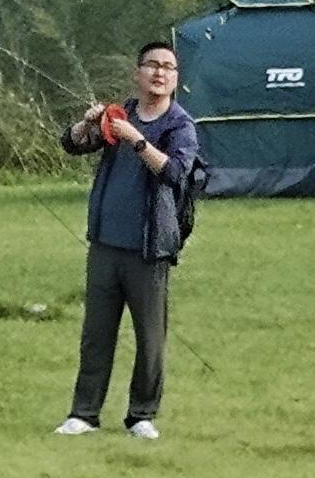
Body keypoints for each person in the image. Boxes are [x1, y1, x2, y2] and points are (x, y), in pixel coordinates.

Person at [55, 42, 206, 441]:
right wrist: (89, 124)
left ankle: (142, 414)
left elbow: (175, 174)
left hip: (149, 247)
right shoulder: (119, 115)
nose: (160, 73)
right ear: (137, 74)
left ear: (176, 79)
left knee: (149, 336)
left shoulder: (179, 125)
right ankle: (83, 413)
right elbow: (71, 145)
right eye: (152, 65)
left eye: (168, 67)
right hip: (105, 243)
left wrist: (137, 141)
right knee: (96, 334)